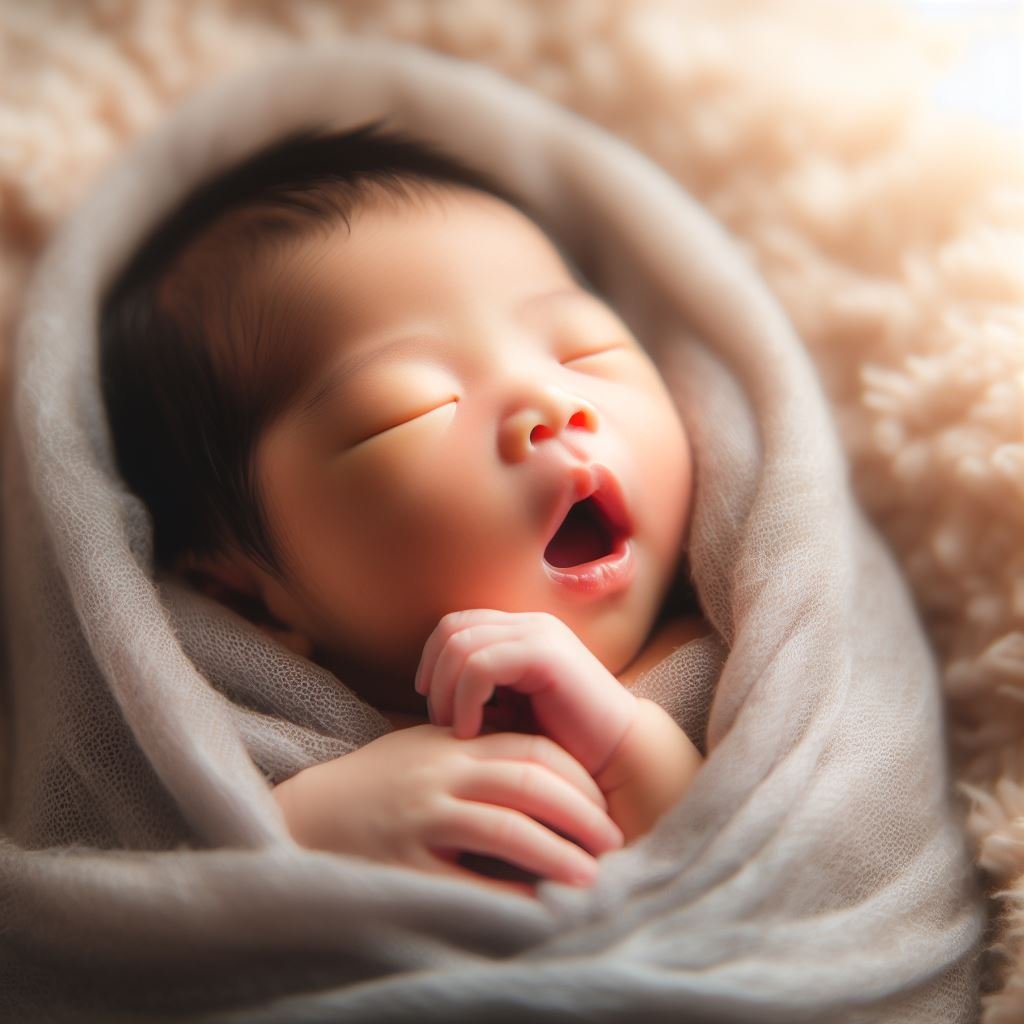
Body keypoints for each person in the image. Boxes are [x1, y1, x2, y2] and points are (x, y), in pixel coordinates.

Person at [100, 123, 707, 898]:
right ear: (242, 593)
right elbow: (105, 941)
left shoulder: (745, 674)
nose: (552, 403)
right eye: (411, 409)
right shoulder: (228, 752)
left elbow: (790, 916)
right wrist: (291, 840)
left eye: (583, 352)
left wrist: (642, 762)